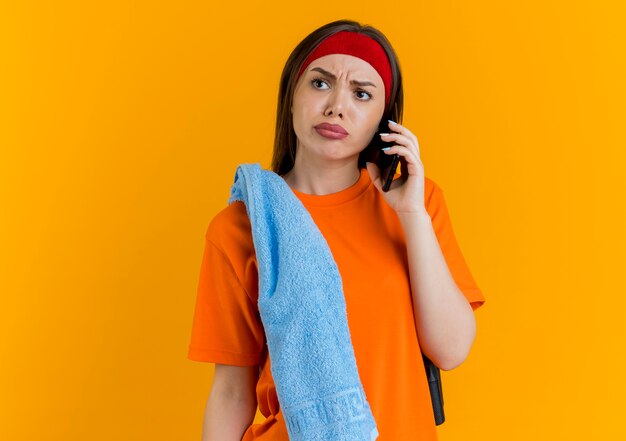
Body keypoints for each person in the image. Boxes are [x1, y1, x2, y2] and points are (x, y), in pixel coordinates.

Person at [187, 19, 486, 440]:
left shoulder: (418, 205)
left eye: (361, 93)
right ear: (291, 96)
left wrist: (412, 214)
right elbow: (232, 392)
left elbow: (451, 349)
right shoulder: (242, 227)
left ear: (384, 117)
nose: (336, 107)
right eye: (321, 84)